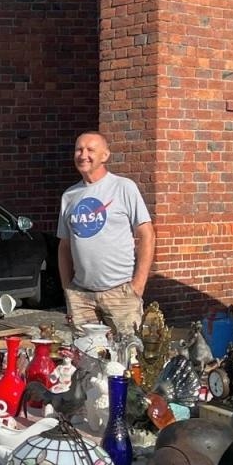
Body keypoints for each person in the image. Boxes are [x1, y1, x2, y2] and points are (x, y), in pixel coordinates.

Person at [57, 132, 155, 335]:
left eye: (90, 150)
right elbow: (64, 246)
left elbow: (147, 234)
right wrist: (68, 290)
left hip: (120, 292)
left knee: (127, 358)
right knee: (85, 358)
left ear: (105, 156)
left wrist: (138, 284)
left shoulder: (123, 187)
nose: (83, 155)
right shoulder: (69, 196)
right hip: (81, 296)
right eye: (79, 149)